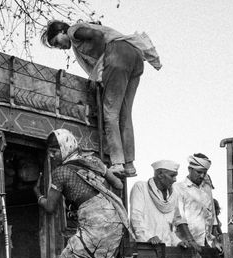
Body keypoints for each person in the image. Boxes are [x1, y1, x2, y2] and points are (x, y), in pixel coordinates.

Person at [35, 128, 137, 258]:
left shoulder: (61, 172)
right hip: (115, 221)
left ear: (65, 148)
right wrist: (100, 176)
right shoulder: (92, 161)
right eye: (50, 151)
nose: (51, 155)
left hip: (96, 224)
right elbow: (118, 184)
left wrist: (37, 194)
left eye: (55, 150)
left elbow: (50, 207)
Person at [42, 20, 161, 177]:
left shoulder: (73, 31)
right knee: (125, 115)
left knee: (110, 114)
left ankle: (117, 163)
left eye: (57, 42)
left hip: (117, 57)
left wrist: (103, 62)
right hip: (134, 57)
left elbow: (97, 35)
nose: (60, 47)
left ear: (62, 31)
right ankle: (129, 165)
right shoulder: (79, 36)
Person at [129, 159, 182, 245]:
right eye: (172, 176)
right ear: (160, 175)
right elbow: (136, 218)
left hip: (166, 249)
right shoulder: (141, 188)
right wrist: (148, 238)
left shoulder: (173, 196)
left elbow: (170, 228)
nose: (175, 180)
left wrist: (178, 242)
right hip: (145, 247)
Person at [174, 153, 219, 249]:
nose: (202, 176)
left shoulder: (206, 189)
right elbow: (180, 219)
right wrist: (191, 241)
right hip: (187, 245)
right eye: (199, 172)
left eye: (204, 173)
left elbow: (212, 217)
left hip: (207, 244)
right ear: (189, 169)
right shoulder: (179, 188)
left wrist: (216, 241)